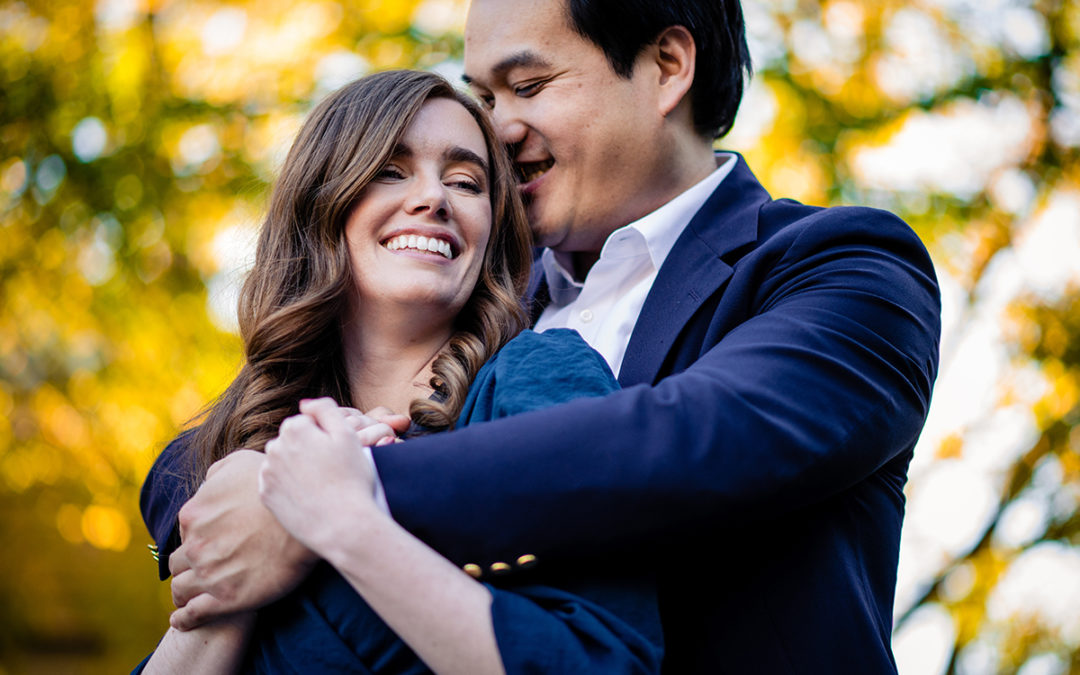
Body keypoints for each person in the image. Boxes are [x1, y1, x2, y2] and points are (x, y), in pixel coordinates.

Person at [145, 0, 942, 671]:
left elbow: (686, 439)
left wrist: (339, 495)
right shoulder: (469, 299)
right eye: (484, 99)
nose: (498, 131)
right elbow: (196, 467)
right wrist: (251, 475)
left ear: (667, 65)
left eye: (526, 85)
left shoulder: (844, 269)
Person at [137, 69, 662, 673]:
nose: (433, 198)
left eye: (466, 182)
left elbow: (607, 661)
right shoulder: (219, 451)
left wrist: (339, 520)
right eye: (391, 170)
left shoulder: (541, 377)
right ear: (321, 203)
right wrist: (236, 590)